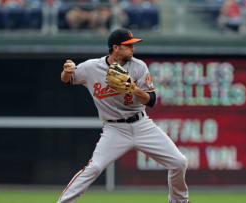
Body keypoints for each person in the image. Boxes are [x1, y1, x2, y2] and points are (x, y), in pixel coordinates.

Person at [58, 28, 190, 203]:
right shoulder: (92, 67)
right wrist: (66, 72)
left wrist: (134, 89)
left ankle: (179, 201)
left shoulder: (139, 66)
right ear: (115, 48)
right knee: (94, 167)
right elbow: (67, 80)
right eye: (128, 46)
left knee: (179, 162)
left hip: (141, 124)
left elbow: (151, 100)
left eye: (132, 45)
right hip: (114, 129)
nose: (133, 49)